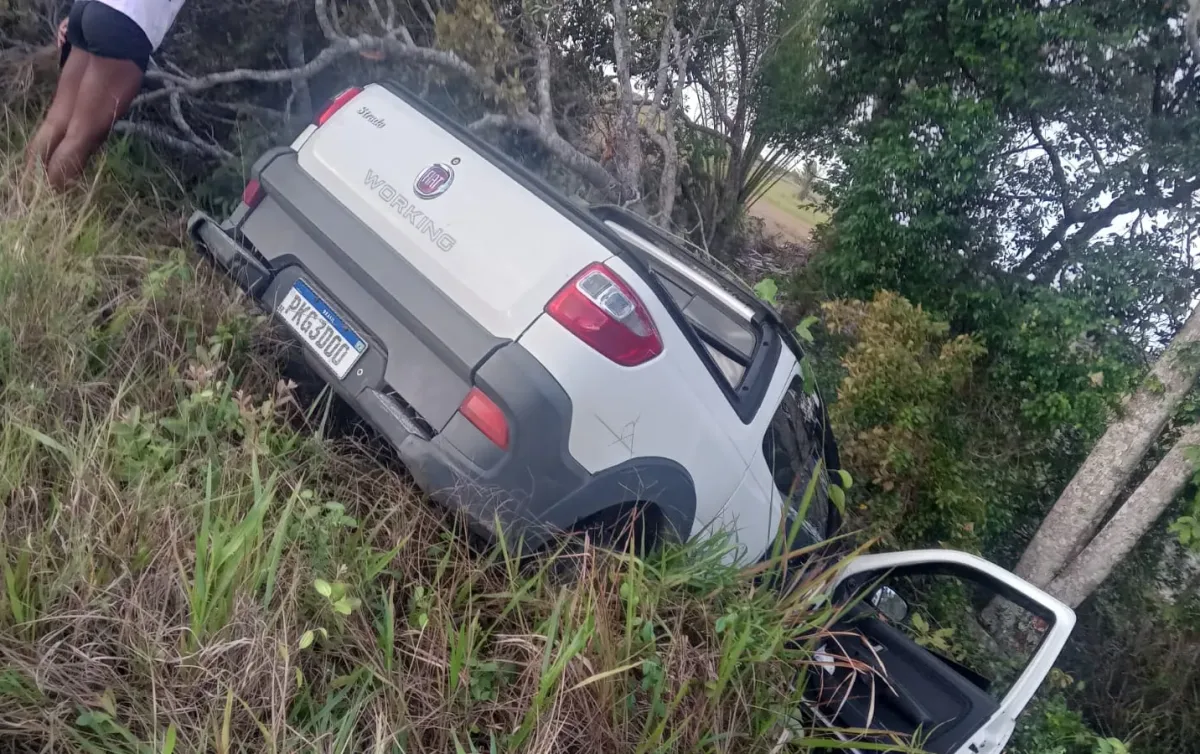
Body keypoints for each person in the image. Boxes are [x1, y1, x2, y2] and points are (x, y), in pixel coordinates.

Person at [25, 1, 186, 190]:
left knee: (55, 122)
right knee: (80, 138)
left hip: (91, 8)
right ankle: (45, 212)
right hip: (127, 23)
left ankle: (20, 201)